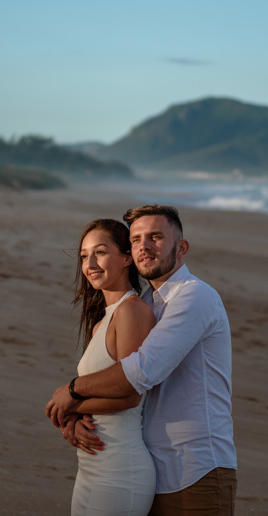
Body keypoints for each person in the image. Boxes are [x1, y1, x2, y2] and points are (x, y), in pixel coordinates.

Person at [48, 205, 237, 515]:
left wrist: (71, 394)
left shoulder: (195, 297)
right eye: (136, 239)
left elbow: (139, 373)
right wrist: (78, 417)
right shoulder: (146, 303)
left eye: (156, 237)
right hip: (154, 466)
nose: (144, 246)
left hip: (196, 468)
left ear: (182, 247)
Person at [63, 218, 157, 515]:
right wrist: (73, 420)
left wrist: (71, 405)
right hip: (91, 466)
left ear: (127, 257)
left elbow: (131, 394)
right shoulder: (103, 321)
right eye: (83, 256)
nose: (90, 263)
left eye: (100, 252)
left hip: (119, 469)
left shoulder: (133, 312)